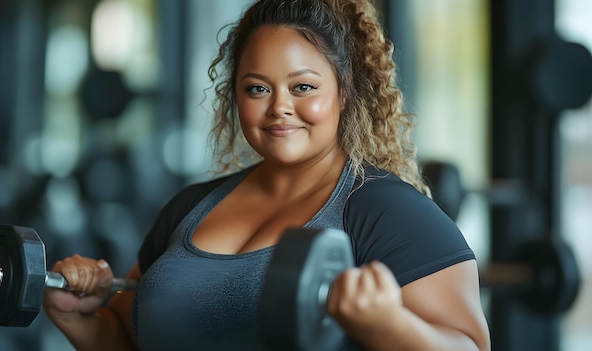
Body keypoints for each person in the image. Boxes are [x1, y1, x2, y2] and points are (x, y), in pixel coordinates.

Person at [43, 0, 491, 350]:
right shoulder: (188, 208)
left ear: (344, 91)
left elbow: (469, 345)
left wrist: (391, 327)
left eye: (303, 87)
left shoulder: (386, 210)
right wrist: (78, 316)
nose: (279, 106)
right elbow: (135, 344)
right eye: (257, 88)